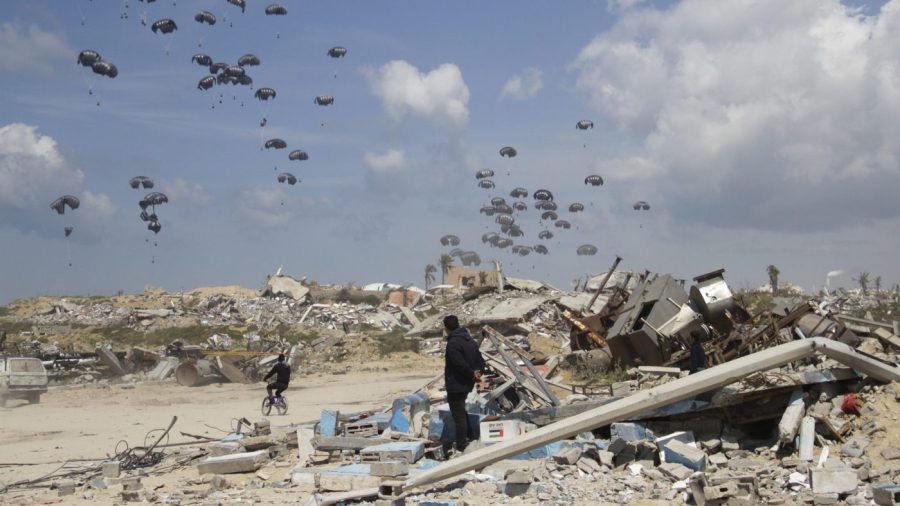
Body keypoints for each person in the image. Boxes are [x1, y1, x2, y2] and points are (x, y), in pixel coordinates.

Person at [443, 315, 485, 454]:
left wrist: (471, 374)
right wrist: (477, 373)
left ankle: (462, 444)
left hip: (456, 384)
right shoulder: (470, 340)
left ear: (446, 327)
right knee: (461, 410)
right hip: (467, 383)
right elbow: (480, 360)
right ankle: (471, 436)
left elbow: (458, 363)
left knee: (458, 416)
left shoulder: (453, 343)